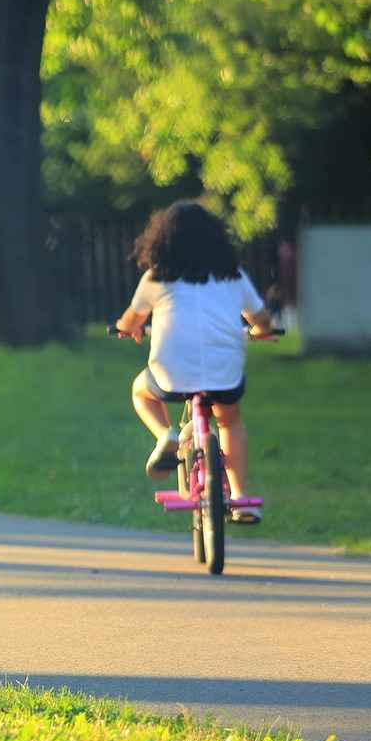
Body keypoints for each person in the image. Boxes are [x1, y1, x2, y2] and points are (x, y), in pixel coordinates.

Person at [113, 200, 272, 525]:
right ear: (217, 239)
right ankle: (241, 498)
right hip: (223, 374)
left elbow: (131, 319)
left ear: (162, 240)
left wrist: (126, 328)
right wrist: (260, 331)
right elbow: (261, 318)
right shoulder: (232, 275)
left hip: (171, 374)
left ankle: (166, 435)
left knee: (140, 391)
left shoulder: (157, 277)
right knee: (229, 422)